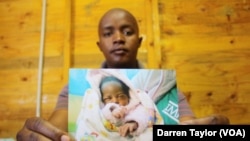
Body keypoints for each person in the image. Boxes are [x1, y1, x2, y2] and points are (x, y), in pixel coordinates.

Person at [16, 8, 230, 141]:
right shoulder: (78, 88)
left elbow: (186, 125)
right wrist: (44, 134)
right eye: (108, 33)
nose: (118, 38)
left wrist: (207, 130)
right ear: (100, 45)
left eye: (127, 32)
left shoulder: (168, 89)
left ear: (139, 42)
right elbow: (59, 126)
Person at [75, 70, 162, 141]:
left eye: (120, 96)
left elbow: (143, 114)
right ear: (102, 100)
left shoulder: (134, 106)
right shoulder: (103, 109)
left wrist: (133, 123)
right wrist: (112, 112)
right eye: (108, 98)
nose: (115, 101)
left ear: (128, 96)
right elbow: (101, 117)